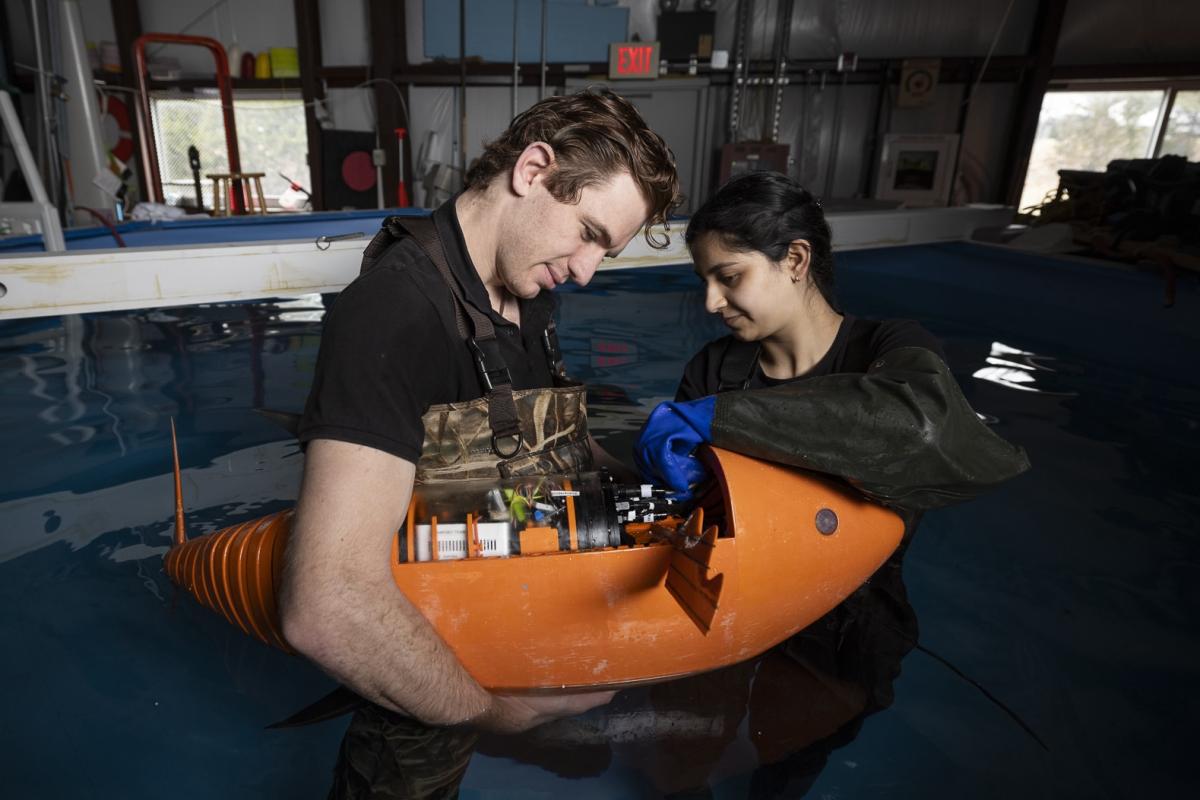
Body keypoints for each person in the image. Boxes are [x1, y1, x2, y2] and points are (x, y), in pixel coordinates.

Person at [280, 88, 680, 793]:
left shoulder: (528, 288)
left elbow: (538, 441)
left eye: (605, 252)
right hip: (424, 659)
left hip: (506, 597)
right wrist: (497, 711)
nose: (587, 271)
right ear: (532, 170)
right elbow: (329, 607)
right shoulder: (393, 314)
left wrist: (654, 498)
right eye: (588, 232)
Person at [635, 170, 1030, 518]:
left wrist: (714, 418)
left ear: (795, 259)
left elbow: (919, 428)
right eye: (705, 282)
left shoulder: (892, 348)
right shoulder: (714, 368)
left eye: (730, 277)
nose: (711, 302)